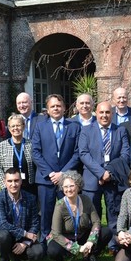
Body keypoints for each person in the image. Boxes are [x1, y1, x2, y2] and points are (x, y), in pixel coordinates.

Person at [79, 100, 131, 252]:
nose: (104, 115)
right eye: (101, 112)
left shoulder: (120, 131)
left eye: (108, 112)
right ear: (96, 113)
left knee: (114, 213)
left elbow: (125, 154)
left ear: (113, 114)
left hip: (114, 179)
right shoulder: (86, 130)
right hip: (92, 179)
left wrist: (109, 172)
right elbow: (83, 153)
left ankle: (113, 245)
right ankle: (93, 245)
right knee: (92, 215)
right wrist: (101, 173)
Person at [31, 94, 81, 241]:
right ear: (47, 109)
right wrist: (50, 173)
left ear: (64, 108)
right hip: (46, 180)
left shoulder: (74, 127)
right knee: (46, 214)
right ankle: (45, 245)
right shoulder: (40, 127)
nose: (56, 109)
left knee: (68, 213)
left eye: (59, 106)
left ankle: (69, 244)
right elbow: (35, 152)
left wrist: (63, 174)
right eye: (52, 106)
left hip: (67, 181)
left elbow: (77, 153)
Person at [46, 170, 112, 261]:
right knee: (53, 250)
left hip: (81, 235)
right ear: (62, 189)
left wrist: (91, 241)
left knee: (106, 232)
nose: (69, 189)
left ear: (78, 186)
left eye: (72, 186)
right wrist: (77, 248)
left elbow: (96, 222)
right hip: (64, 238)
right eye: (65, 187)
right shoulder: (59, 205)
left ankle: (90, 256)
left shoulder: (86, 200)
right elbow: (56, 233)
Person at [0, 168, 45, 261]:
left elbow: (35, 222)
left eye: (16, 180)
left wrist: (25, 243)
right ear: (4, 182)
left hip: (22, 239)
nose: (13, 184)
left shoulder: (31, 198)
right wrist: (24, 233)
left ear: (21, 181)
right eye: (10, 181)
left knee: (38, 252)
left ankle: (14, 256)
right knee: (2, 236)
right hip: (4, 236)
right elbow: (2, 224)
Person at [0, 114, 36, 194]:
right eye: (12, 126)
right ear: (9, 128)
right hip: (10, 188)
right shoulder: (2, 146)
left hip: (29, 187)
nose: (15, 128)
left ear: (23, 126)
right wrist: (5, 186)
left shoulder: (31, 144)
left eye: (18, 125)